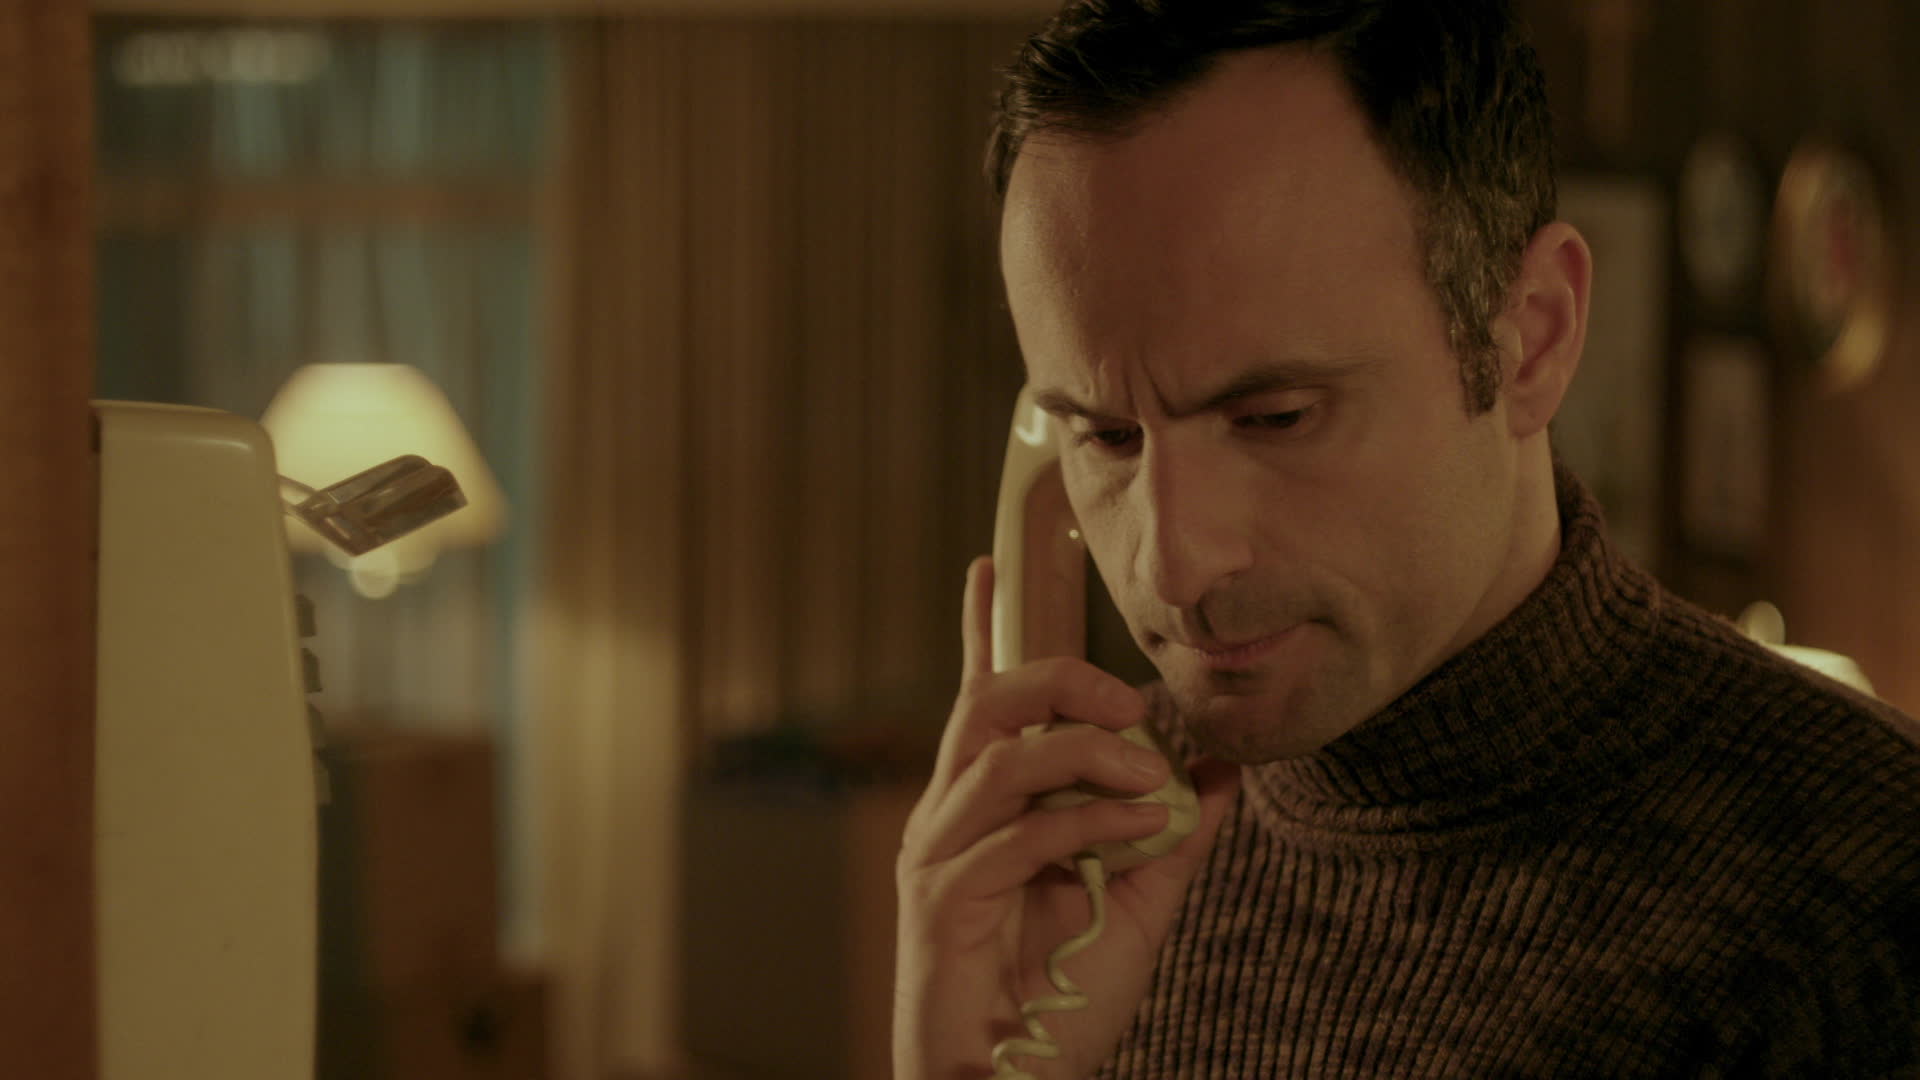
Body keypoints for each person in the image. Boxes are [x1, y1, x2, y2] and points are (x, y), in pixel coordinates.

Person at [893, 0, 1920, 1077]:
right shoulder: (1090, 846)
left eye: (1275, 417)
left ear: (1531, 339)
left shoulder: (1871, 897)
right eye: (1105, 436)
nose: (1172, 567)